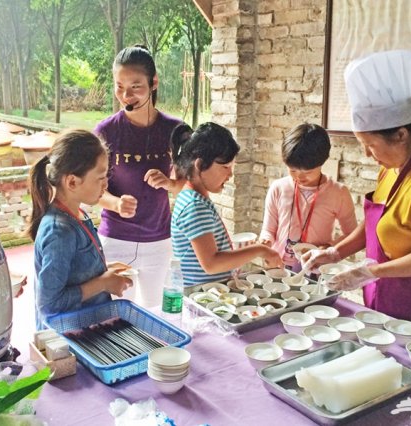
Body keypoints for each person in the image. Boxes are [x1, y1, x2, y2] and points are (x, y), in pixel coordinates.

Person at [302, 50, 411, 337]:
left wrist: (370, 272)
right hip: (387, 294)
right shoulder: (391, 168)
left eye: (370, 145)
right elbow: (377, 223)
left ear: (401, 134)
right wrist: (335, 252)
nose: (366, 154)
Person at [94, 45, 184, 308]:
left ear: (154, 82)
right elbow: (94, 189)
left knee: (158, 313)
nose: (126, 95)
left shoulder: (174, 129)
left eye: (135, 86)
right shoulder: (106, 130)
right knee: (115, 316)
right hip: (114, 240)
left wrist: (169, 183)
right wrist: (115, 203)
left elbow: (188, 186)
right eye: (119, 86)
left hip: (159, 240)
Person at [28, 129, 133, 329]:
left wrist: (104, 269)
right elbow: (49, 305)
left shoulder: (77, 214)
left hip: (89, 329)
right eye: (100, 177)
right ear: (72, 182)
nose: (106, 184)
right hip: (69, 341)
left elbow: (72, 271)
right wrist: (102, 283)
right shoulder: (59, 231)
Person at [170, 122, 283, 285]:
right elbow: (211, 263)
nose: (230, 174)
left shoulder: (195, 197)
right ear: (200, 165)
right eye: (225, 167)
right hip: (202, 296)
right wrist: (260, 250)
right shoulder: (194, 206)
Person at [259, 123, 357, 271]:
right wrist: (264, 241)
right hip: (278, 268)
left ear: (322, 162)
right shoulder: (278, 188)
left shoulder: (338, 192)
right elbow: (268, 230)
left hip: (316, 269)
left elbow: (352, 235)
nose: (299, 176)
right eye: (292, 170)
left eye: (308, 171)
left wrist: (329, 247)